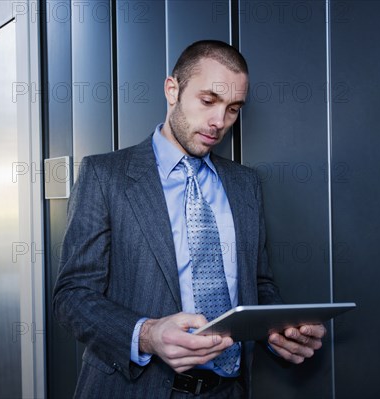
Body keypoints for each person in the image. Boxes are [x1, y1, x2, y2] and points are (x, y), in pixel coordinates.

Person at [53, 40, 326, 398]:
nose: (219, 122)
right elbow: (72, 296)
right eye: (208, 100)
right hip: (133, 389)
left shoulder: (245, 185)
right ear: (172, 90)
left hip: (227, 390)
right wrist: (147, 334)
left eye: (233, 109)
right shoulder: (105, 175)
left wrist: (279, 331)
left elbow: (258, 284)